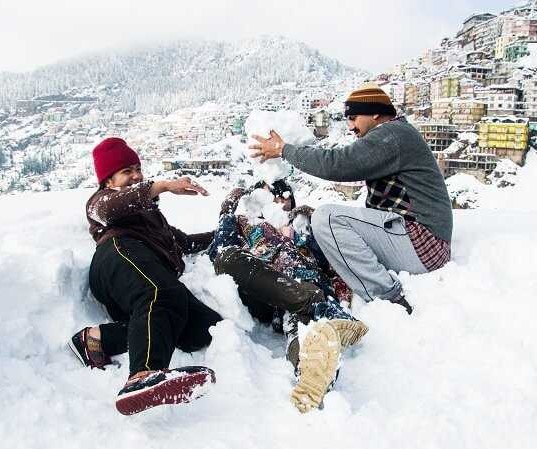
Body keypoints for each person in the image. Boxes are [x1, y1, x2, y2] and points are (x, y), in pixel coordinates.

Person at [250, 83, 453, 314]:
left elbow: (337, 164)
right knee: (316, 219)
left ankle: (388, 297)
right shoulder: (396, 134)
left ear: (375, 113)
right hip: (416, 240)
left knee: (326, 218)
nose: (350, 127)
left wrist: (284, 150)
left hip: (423, 243)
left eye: (354, 117)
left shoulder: (393, 134)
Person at [69, 137, 222, 415]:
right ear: (108, 181)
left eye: (138, 168)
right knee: (163, 293)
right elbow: (116, 206)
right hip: (117, 257)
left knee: (203, 329)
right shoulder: (100, 202)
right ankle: (143, 376)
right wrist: (162, 186)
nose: (136, 175)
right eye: (127, 171)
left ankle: (97, 340)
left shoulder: (151, 217)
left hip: (145, 271)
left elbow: (183, 243)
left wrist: (224, 234)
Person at [208, 179, 368, 413]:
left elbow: (331, 260)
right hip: (271, 284)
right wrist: (227, 209)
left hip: (307, 280)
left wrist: (342, 295)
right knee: (230, 260)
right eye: (272, 197)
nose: (279, 202)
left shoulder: (302, 225)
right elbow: (220, 249)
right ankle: (332, 319)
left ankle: (311, 371)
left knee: (297, 323)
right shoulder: (247, 223)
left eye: (285, 197)